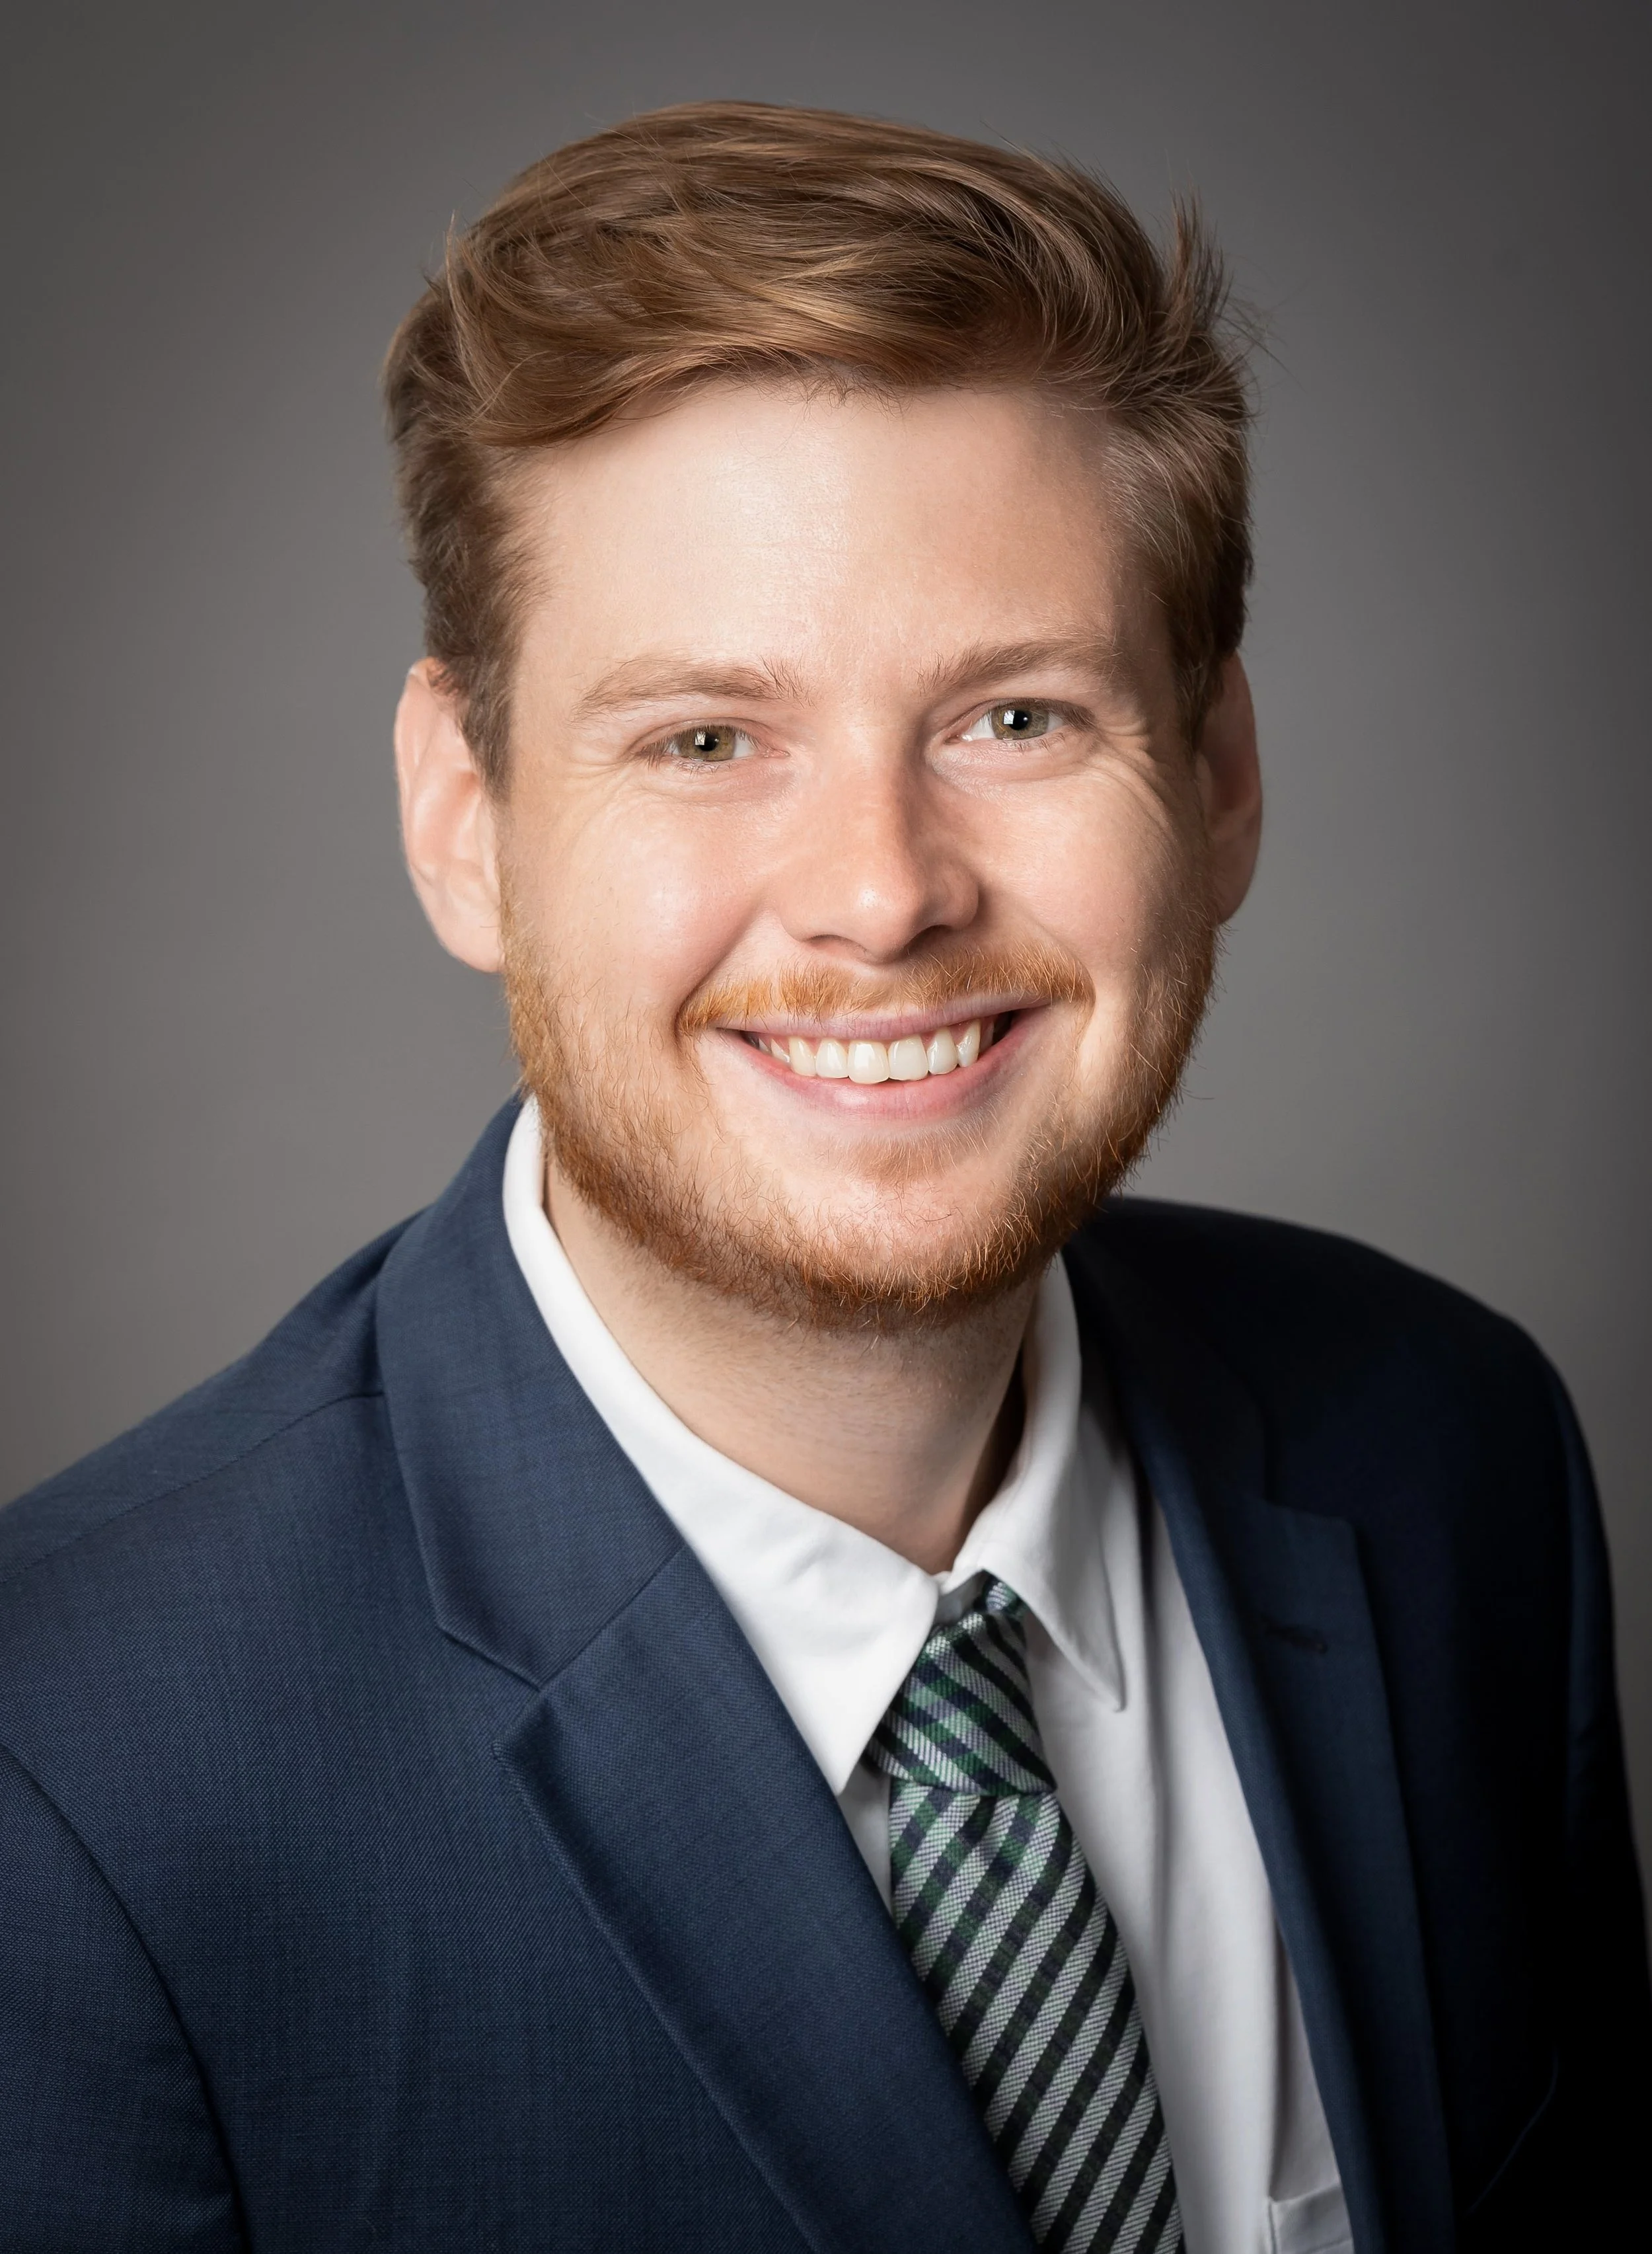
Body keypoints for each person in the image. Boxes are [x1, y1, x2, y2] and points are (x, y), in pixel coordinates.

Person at [0, 100, 1644, 2254]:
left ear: (1219, 778)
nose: (877, 896)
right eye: (703, 738)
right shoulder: (69, 1788)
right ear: (463, 817)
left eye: (1017, 719)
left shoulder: (1450, 1449)